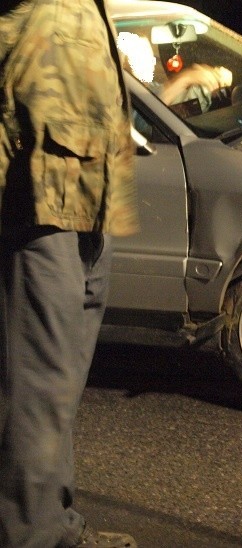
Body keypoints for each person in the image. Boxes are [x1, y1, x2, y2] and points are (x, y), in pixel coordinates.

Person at [0, 0, 139, 546]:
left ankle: (54, 528)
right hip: (31, 188)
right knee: (37, 382)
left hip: (87, 187)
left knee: (57, 385)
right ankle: (28, 536)